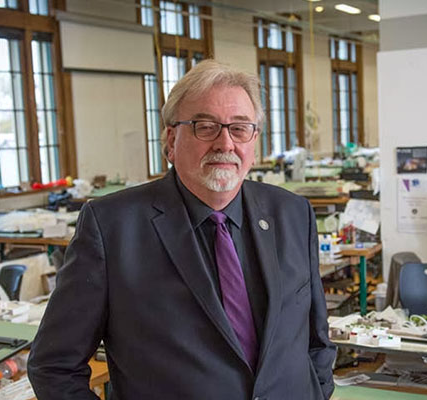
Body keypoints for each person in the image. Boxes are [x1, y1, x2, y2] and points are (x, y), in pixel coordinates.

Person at [28, 60, 336, 400]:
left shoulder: (293, 213)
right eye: (205, 127)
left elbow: (315, 339)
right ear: (171, 140)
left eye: (239, 128)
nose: (225, 143)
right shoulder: (112, 227)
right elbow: (54, 365)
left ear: (254, 140)